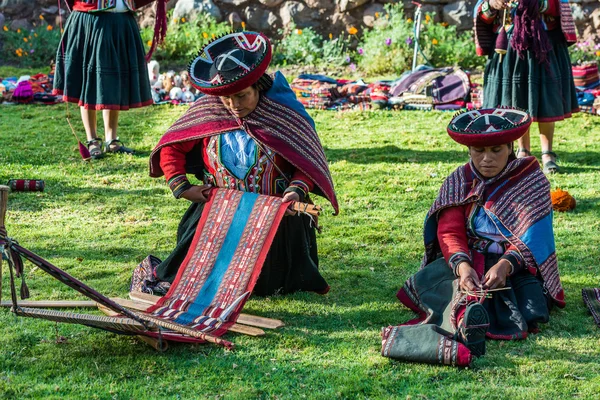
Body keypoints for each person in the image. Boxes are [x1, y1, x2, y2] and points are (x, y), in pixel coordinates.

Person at [135, 31, 338, 297]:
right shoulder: (207, 114)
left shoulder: (284, 115)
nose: (234, 105)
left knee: (265, 286)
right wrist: (183, 188)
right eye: (226, 98)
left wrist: (295, 191)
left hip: (276, 219)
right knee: (199, 278)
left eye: (242, 96)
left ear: (257, 87)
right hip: (217, 215)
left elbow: (306, 159)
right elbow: (170, 149)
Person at [381, 107, 565, 367]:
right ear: (468, 151)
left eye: (496, 150)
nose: (487, 158)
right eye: (479, 151)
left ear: (511, 148)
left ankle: (471, 318)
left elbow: (534, 235)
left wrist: (506, 264)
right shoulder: (459, 181)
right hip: (468, 257)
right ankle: (468, 319)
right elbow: (449, 230)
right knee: (452, 287)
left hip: (514, 262)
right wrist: (463, 267)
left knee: (528, 304)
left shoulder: (530, 180)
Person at [474, 0, 578, 173]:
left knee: (546, 98)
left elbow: (560, 5)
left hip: (543, 42)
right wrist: (492, 4)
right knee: (517, 98)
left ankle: (547, 154)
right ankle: (523, 152)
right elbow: (483, 14)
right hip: (509, 45)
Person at [54, 0, 167, 159]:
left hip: (121, 22)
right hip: (92, 20)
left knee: (114, 80)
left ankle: (111, 140)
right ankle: (92, 140)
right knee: (89, 82)